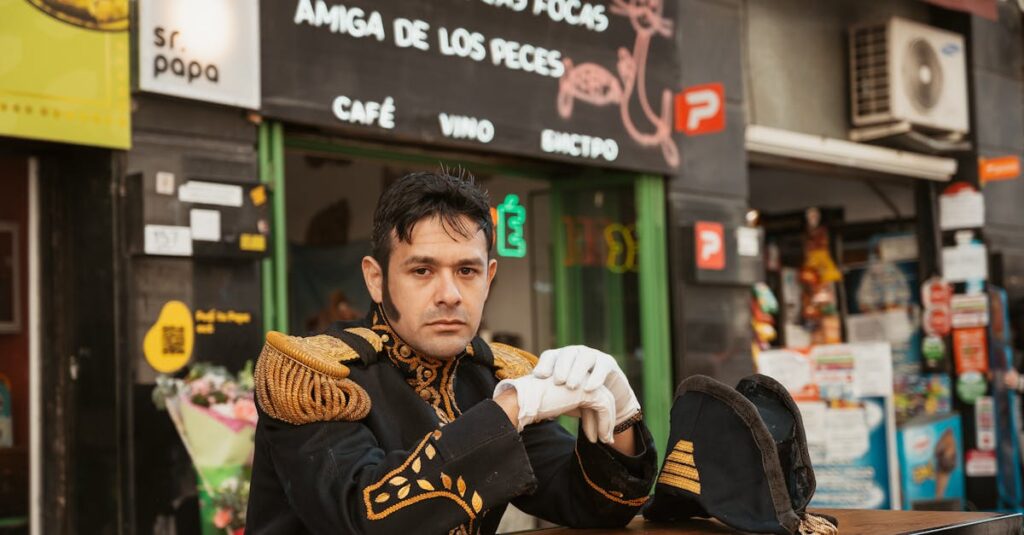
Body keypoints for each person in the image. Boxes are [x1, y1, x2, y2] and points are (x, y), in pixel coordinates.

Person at [246, 171, 656, 534]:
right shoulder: (315, 377)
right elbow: (364, 517)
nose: (449, 295)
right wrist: (513, 408)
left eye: (467, 271)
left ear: (489, 277)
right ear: (376, 279)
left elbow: (589, 505)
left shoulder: (491, 374)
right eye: (422, 271)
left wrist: (620, 418)